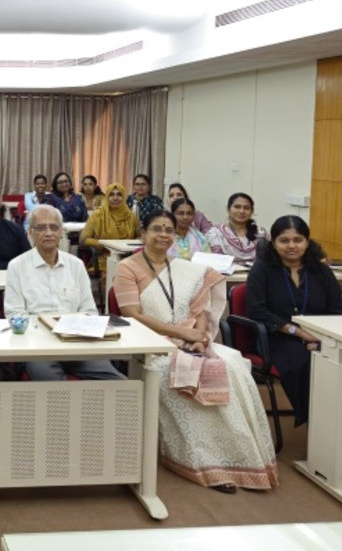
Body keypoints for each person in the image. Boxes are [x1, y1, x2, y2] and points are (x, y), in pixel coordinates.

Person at [113, 209, 278, 492]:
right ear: (143, 233)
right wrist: (181, 334)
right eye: (156, 229)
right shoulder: (127, 268)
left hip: (191, 340)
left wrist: (200, 337)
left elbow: (199, 310)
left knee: (232, 364)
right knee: (185, 372)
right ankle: (203, 462)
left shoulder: (185, 268)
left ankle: (239, 458)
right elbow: (132, 315)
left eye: (168, 230)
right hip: (153, 346)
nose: (163, 235)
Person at [245, 215, 342, 427]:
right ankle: (318, 423)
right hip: (277, 337)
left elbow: (337, 311)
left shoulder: (321, 271)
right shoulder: (262, 269)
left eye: (298, 240)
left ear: (307, 242)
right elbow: (257, 311)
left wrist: (321, 338)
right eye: (284, 240)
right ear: (273, 243)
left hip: (322, 336)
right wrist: (301, 333)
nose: (292, 246)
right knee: (305, 362)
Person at [5, 205, 126, 381]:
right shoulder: (17, 266)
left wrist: (73, 330)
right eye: (41, 227)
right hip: (39, 347)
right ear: (30, 232)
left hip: (78, 343)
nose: (48, 233)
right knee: (58, 390)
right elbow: (15, 315)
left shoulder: (76, 265)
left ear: (61, 232)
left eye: (54, 227)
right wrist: (50, 329)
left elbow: (90, 311)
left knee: (117, 382)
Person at [78, 182, 138, 277]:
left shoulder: (131, 216)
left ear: (124, 197)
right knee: (113, 277)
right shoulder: (97, 215)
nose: (115, 198)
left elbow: (139, 237)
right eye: (111, 195)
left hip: (128, 259)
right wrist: (105, 245)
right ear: (107, 197)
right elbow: (83, 239)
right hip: (104, 258)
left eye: (119, 195)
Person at [206, 192, 269, 263]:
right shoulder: (216, 233)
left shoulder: (260, 233)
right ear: (228, 209)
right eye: (237, 207)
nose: (242, 211)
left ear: (252, 211)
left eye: (246, 208)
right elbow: (213, 261)